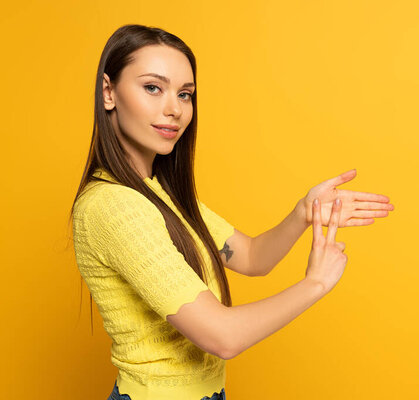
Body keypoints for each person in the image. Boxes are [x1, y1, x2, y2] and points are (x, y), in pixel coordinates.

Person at [69, 24, 394, 400]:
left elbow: (253, 256)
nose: (174, 109)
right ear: (109, 92)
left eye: (185, 94)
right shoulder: (114, 206)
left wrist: (303, 212)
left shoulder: (159, 194)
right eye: (152, 88)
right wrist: (315, 284)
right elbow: (223, 337)